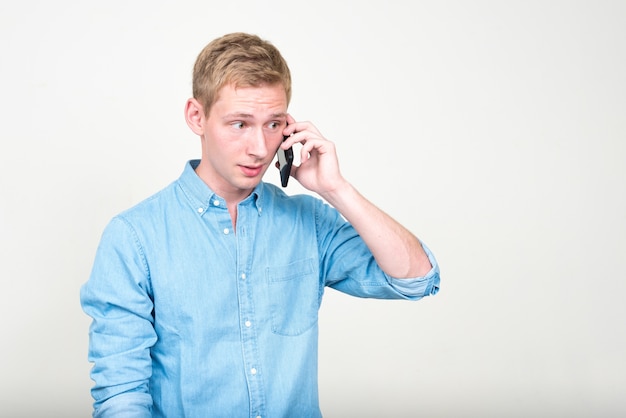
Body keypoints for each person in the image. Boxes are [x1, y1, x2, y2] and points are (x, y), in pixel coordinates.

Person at [80, 32, 440, 418]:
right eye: (239, 124)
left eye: (273, 124)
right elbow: (122, 395)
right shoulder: (134, 237)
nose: (259, 148)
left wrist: (336, 189)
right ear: (196, 116)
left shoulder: (310, 222)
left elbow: (416, 278)